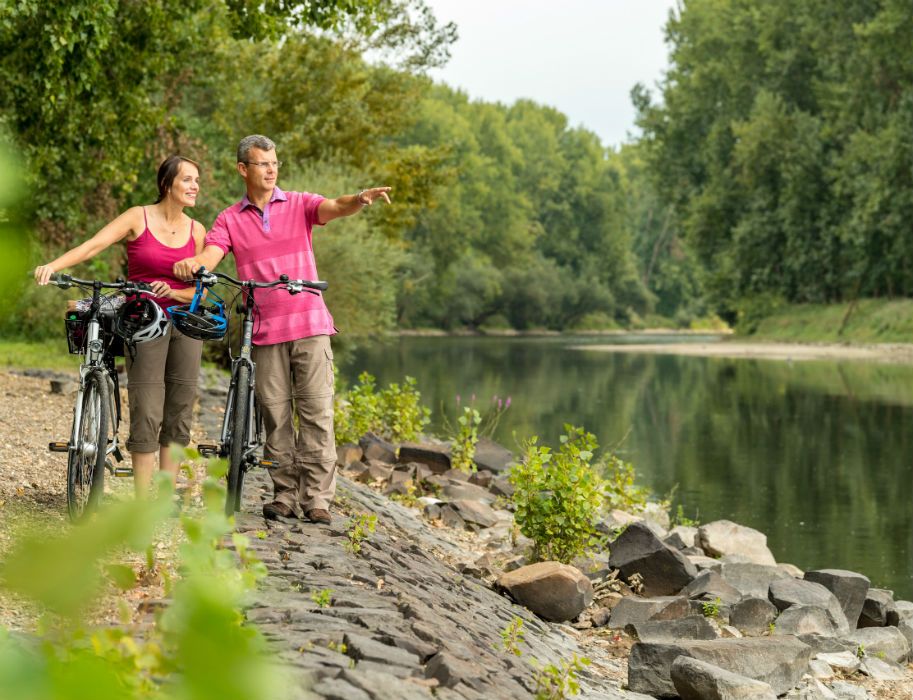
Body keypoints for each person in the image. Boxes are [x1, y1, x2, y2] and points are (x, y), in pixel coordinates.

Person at [173, 134, 391, 524]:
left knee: (317, 412)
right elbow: (212, 253)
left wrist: (359, 199)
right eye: (263, 163)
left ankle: (317, 499)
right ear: (243, 169)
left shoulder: (299, 203)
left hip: (310, 325)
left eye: (275, 163)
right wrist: (195, 264)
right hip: (264, 330)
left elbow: (334, 206)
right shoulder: (229, 219)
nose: (272, 170)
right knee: (275, 416)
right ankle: (285, 494)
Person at [35, 156, 207, 497]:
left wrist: (174, 292)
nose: (195, 186)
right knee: (147, 407)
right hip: (143, 321)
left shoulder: (197, 230)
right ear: (166, 184)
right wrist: (53, 265)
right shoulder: (137, 217)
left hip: (185, 323)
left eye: (197, 180)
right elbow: (94, 244)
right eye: (187, 179)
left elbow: (200, 292)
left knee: (180, 408)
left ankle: (165, 494)